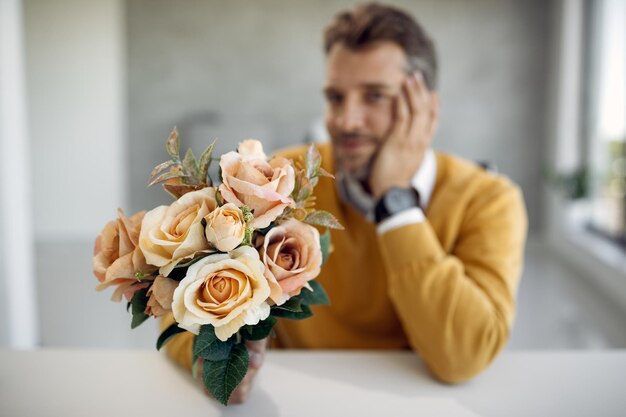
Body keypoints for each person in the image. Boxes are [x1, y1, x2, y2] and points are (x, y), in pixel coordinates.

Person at [163, 2, 528, 402]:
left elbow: (465, 356)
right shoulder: (279, 179)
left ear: (426, 109)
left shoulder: (491, 200)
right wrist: (215, 369)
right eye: (336, 97)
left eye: (375, 96)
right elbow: (176, 311)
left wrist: (396, 205)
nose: (347, 120)